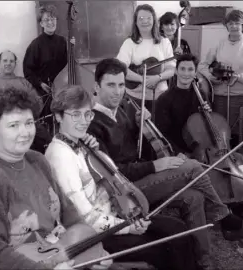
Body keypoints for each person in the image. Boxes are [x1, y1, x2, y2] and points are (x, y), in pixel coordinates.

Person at [88, 58, 243, 269]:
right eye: (110, 85)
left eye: (121, 85)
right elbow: (113, 173)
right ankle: (229, 221)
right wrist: (157, 166)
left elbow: (132, 147)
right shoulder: (92, 123)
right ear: (96, 87)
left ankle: (202, 262)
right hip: (124, 192)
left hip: (139, 177)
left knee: (193, 198)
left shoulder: (121, 110)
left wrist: (140, 125)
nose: (118, 91)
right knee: (194, 166)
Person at [0, 86, 112, 269]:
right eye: (14, 125)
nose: (25, 132)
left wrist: (92, 250)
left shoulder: (37, 160)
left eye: (29, 123)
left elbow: (70, 216)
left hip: (59, 256)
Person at [45, 84, 198, 270]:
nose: (84, 121)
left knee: (177, 229)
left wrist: (95, 151)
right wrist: (128, 227)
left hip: (115, 215)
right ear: (58, 116)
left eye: (87, 114)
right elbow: (84, 218)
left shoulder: (77, 145)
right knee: (166, 247)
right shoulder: (61, 156)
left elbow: (113, 174)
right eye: (75, 114)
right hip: (95, 235)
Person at [154, 54, 243, 210]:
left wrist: (208, 113)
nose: (186, 73)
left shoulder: (201, 95)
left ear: (195, 73)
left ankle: (241, 205)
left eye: (190, 69)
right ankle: (222, 209)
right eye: (182, 69)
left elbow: (208, 127)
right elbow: (162, 134)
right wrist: (179, 152)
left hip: (207, 149)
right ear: (176, 71)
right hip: (182, 151)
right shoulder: (164, 99)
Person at [198, 9, 243, 146]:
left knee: (237, 133)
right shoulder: (218, 44)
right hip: (220, 96)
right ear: (226, 25)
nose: (234, 26)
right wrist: (211, 77)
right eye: (230, 23)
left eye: (237, 23)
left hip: (242, 97)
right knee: (220, 131)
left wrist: (237, 77)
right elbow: (202, 65)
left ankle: (237, 159)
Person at [0, 49, 53, 153]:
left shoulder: (23, 82)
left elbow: (37, 103)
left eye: (11, 61)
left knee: (47, 141)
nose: (8, 64)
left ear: (15, 64)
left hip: (25, 122)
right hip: (2, 125)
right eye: (5, 61)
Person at [116, 4, 176, 118]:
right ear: (136, 22)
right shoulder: (129, 43)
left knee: (157, 131)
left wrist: (158, 77)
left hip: (160, 97)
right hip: (135, 98)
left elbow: (171, 69)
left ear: (154, 20)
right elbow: (121, 68)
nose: (145, 21)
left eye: (149, 18)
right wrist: (142, 79)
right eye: (141, 18)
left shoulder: (164, 42)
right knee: (134, 132)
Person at [23, 4, 69, 125]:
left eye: (53, 19)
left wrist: (73, 47)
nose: (50, 22)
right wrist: (40, 83)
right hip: (44, 92)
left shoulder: (63, 41)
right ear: (41, 24)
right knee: (48, 121)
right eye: (46, 20)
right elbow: (28, 71)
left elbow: (68, 66)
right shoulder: (35, 45)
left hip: (62, 89)